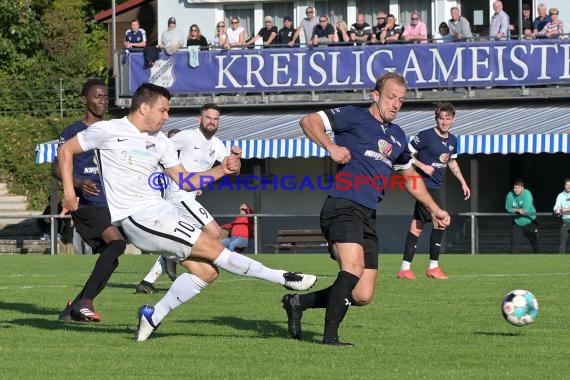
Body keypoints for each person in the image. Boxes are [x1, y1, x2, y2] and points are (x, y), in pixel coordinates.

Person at [57, 83, 317, 342]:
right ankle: (283, 277)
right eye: (163, 110)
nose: (167, 117)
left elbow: (187, 181)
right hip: (139, 218)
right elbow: (65, 150)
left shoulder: (161, 142)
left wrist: (221, 171)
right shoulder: (108, 130)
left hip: (163, 213)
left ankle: (153, 315)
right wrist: (70, 192)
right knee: (216, 249)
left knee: (207, 273)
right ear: (144, 107)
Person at [281, 72, 451, 346]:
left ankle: (298, 302)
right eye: (391, 97)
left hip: (368, 214)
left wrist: (434, 208)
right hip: (342, 205)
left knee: (362, 294)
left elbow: (410, 177)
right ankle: (330, 340)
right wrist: (331, 146)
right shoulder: (353, 115)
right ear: (375, 96)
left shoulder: (397, 136)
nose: (396, 104)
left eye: (401, 100)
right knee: (353, 267)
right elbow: (308, 121)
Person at [135, 103, 230, 294]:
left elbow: (230, 167)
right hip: (179, 195)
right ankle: (181, 262)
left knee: (186, 239)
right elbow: (161, 150)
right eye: (208, 117)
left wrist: (235, 160)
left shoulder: (217, 145)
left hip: (190, 196)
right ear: (200, 119)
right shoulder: (187, 136)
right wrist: (162, 176)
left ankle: (147, 282)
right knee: (213, 232)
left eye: (215, 118)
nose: (211, 121)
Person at [52, 79, 127, 323]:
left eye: (105, 96)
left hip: (109, 202)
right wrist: (77, 183)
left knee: (111, 257)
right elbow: (55, 167)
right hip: (87, 202)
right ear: (84, 100)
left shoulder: (113, 129)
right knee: (116, 245)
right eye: (97, 96)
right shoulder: (72, 131)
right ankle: (85, 302)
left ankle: (74, 307)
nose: (102, 100)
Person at [397, 103, 470, 280]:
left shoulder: (453, 140)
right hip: (423, 185)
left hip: (435, 186)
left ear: (453, 119)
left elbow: (451, 162)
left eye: (448, 118)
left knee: (417, 227)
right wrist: (422, 165)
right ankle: (433, 267)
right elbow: (406, 153)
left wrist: (463, 182)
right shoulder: (426, 136)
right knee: (441, 221)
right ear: (436, 118)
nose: (444, 122)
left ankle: (405, 269)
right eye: (441, 118)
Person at [505, 179, 539, 253]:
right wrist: (517, 210)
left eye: (518, 188)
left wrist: (517, 210)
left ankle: (538, 259)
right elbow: (508, 208)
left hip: (530, 221)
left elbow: (525, 210)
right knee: (514, 242)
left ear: (522, 188)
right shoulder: (510, 195)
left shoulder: (527, 193)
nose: (516, 190)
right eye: (515, 188)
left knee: (535, 242)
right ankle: (513, 261)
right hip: (518, 222)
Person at [553, 178, 570, 254]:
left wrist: (566, 209)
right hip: (565, 223)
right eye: (567, 185)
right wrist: (557, 210)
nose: (569, 186)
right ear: (564, 186)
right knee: (562, 245)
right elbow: (556, 207)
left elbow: (564, 209)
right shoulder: (560, 195)